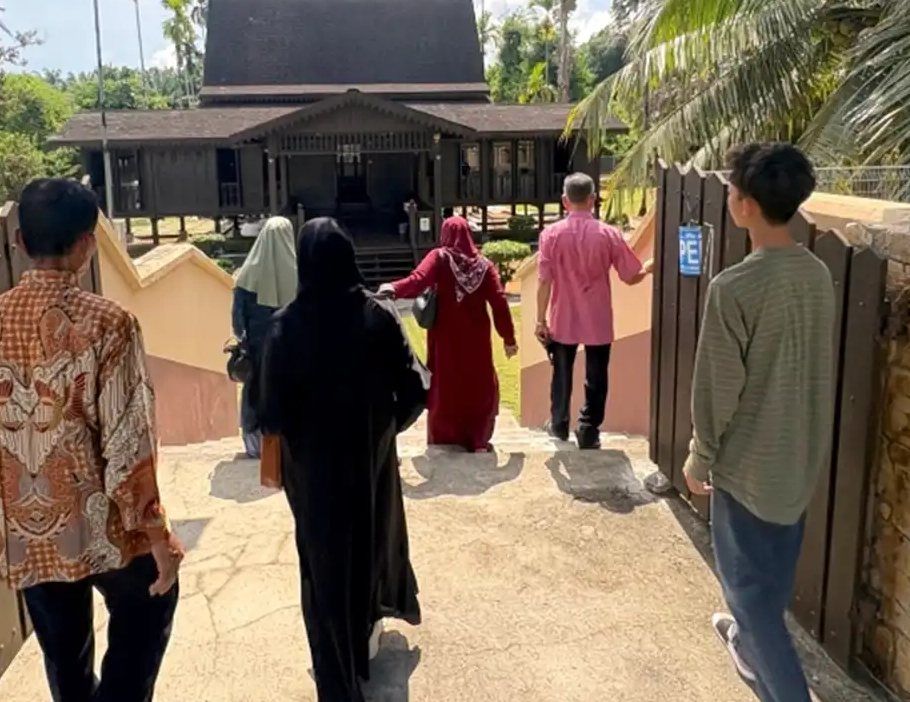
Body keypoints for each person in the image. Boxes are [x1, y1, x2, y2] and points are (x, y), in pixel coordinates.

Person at [0, 177, 186, 702]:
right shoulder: (109, 324)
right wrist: (157, 534)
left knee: (63, 654)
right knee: (150, 603)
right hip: (106, 523)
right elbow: (128, 439)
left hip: (27, 528)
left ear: (20, 242)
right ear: (87, 244)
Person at [683, 143, 835, 702]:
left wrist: (699, 457)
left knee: (750, 600)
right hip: (798, 462)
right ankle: (748, 648)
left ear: (745, 204)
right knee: (767, 590)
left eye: (732, 189)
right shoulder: (816, 274)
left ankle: (769, 665)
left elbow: (716, 388)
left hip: (747, 469)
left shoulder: (734, 288)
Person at [251, 218, 425, 702]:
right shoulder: (379, 317)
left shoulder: (283, 328)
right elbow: (415, 390)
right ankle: (362, 645)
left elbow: (270, 415)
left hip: (312, 474)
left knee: (323, 567)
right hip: (369, 463)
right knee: (367, 547)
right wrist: (384, 431)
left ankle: (337, 682)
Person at [534, 173, 652, 449]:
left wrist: (540, 319)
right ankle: (588, 430)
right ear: (593, 199)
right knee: (597, 376)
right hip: (597, 316)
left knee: (561, 373)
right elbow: (630, 276)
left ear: (565, 201)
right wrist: (648, 267)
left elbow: (543, 280)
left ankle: (559, 424)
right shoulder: (609, 234)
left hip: (563, 315)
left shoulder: (550, 235)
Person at [379, 216, 517, 452]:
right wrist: (509, 339)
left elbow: (417, 280)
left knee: (445, 386)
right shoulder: (485, 266)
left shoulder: (439, 258)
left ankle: (444, 439)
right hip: (476, 341)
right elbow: (499, 302)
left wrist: (393, 288)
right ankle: (478, 439)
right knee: (478, 386)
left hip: (446, 339)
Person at [231, 216, 298, 458]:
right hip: (292, 346)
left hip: (257, 347)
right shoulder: (300, 274)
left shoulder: (246, 276)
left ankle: (255, 444)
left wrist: (242, 340)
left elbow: (238, 319)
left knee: (254, 390)